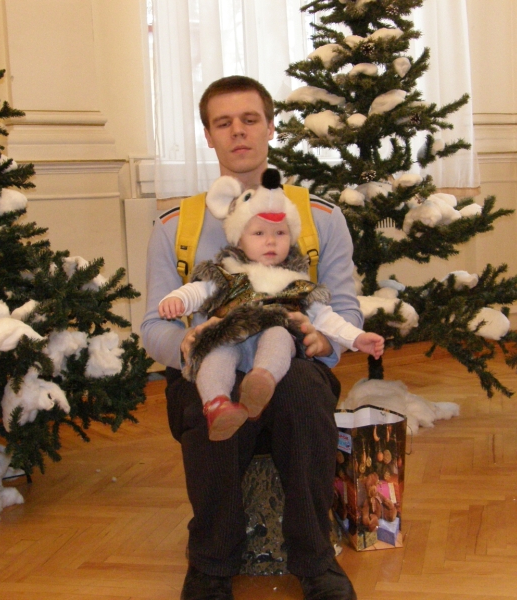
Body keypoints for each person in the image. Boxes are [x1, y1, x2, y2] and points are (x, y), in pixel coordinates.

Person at [141, 75, 361, 600]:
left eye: (249, 119)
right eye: (223, 123)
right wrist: (186, 345)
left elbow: (345, 309)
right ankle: (211, 565)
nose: (237, 131)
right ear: (208, 136)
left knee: (303, 393)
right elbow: (153, 326)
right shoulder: (174, 226)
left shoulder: (320, 218)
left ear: (270, 127)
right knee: (207, 405)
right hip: (208, 365)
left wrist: (324, 341)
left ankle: (316, 561)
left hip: (288, 364)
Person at [158, 169, 384, 442]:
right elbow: (198, 290)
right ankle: (217, 406)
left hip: (271, 345)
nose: (270, 240)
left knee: (280, 335)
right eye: (259, 233)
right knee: (215, 353)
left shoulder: (293, 283)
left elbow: (326, 317)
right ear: (239, 238)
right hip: (230, 336)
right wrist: (176, 301)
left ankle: (261, 381)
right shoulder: (227, 272)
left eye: (280, 232)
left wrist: (357, 337)